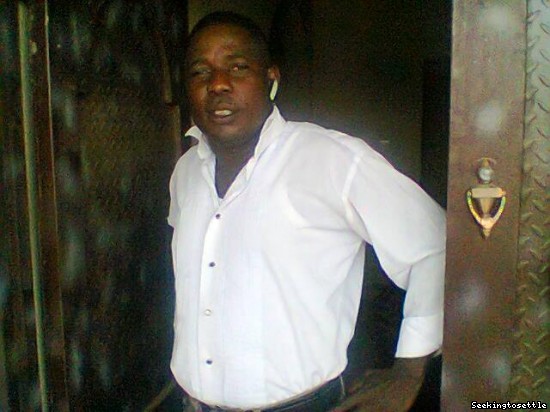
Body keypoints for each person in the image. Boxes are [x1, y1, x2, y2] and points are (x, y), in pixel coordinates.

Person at [168, 11, 446, 412]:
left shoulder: (333, 159)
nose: (218, 84)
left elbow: (435, 246)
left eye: (238, 67)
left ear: (270, 78)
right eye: (200, 72)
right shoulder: (185, 173)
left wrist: (408, 372)